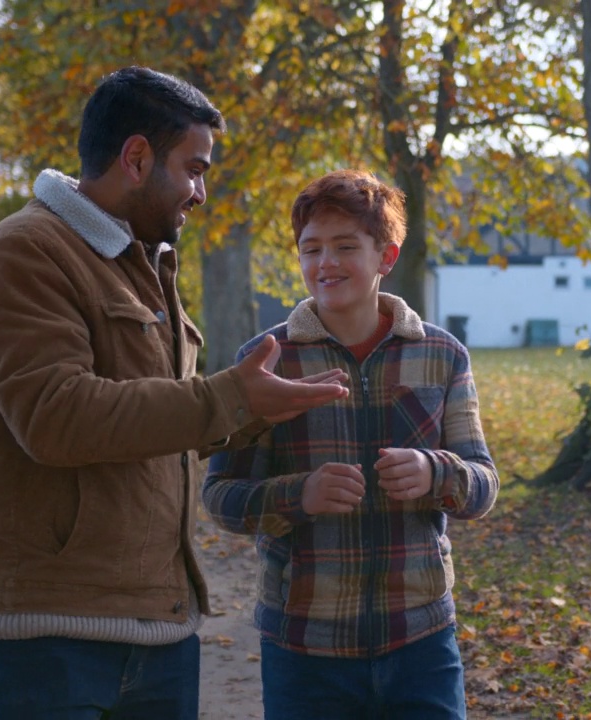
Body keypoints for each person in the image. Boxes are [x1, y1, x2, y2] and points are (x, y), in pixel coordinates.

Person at [0, 66, 349, 719]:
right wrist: (228, 399)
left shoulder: (144, 261)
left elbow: (159, 425)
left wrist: (263, 407)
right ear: (136, 158)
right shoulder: (24, 253)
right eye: (194, 169)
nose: (201, 192)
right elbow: (57, 417)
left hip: (159, 634)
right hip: (44, 641)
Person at [202, 169, 499, 719]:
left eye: (345, 246)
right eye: (311, 249)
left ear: (386, 257)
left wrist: (437, 473)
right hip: (304, 646)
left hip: (421, 637)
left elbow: (483, 484)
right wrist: (300, 494)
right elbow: (221, 496)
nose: (325, 263)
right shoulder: (267, 359)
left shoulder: (441, 354)